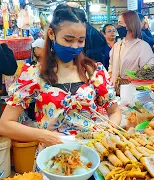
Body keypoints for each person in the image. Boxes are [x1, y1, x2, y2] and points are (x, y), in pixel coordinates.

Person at [0, 7, 121, 170]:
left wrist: (107, 130)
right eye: (68, 39)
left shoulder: (95, 72)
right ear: (51, 34)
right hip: (51, 160)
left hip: (90, 159)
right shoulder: (34, 75)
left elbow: (114, 111)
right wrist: (43, 135)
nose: (75, 46)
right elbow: (5, 124)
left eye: (81, 40)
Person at [109, 10, 154, 84]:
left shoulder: (143, 47)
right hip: (115, 90)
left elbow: (149, 71)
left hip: (134, 90)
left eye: (120, 23)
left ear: (129, 25)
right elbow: (111, 66)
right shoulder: (117, 45)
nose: (118, 27)